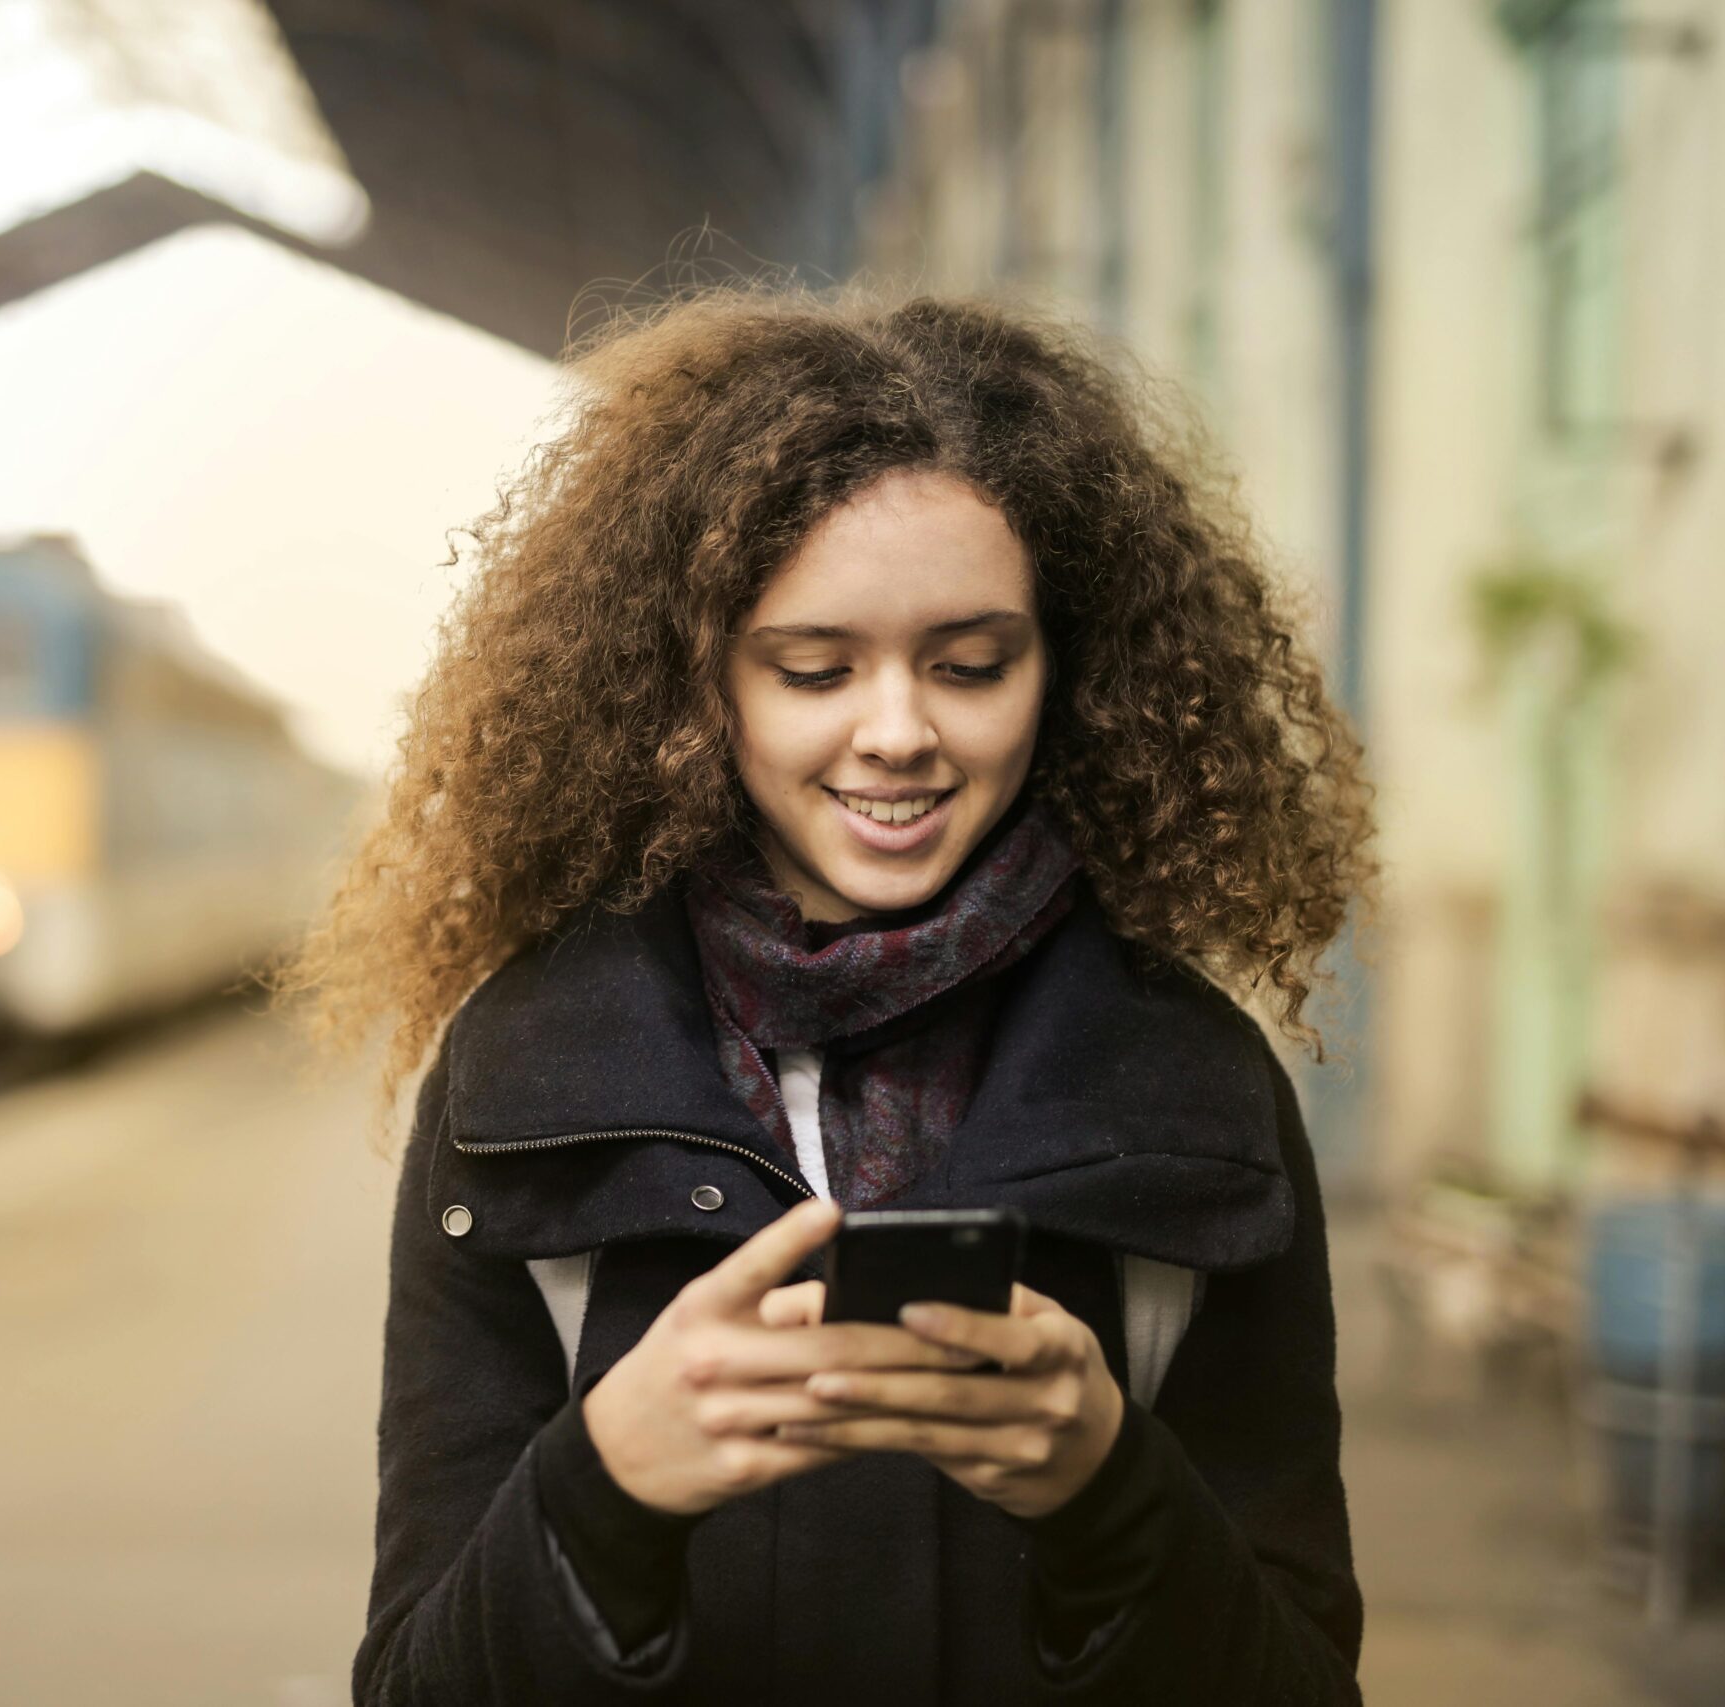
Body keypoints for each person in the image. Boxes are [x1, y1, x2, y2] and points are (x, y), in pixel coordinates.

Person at [284, 290, 1374, 1705]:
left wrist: (1112, 1491)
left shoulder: (1198, 1092)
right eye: (814, 668)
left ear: (1068, 666)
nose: (901, 730)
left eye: (973, 663)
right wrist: (604, 1489)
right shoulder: (525, 1085)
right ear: (698, 685)